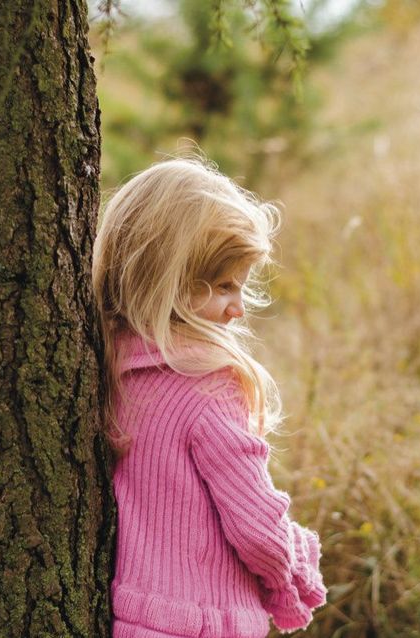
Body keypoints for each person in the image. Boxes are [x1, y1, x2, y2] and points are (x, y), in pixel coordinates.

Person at [92, 156, 327, 638]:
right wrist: (293, 564)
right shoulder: (210, 388)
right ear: (170, 278)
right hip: (206, 624)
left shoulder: (110, 364)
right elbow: (258, 528)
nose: (238, 308)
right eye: (224, 287)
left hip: (134, 619)